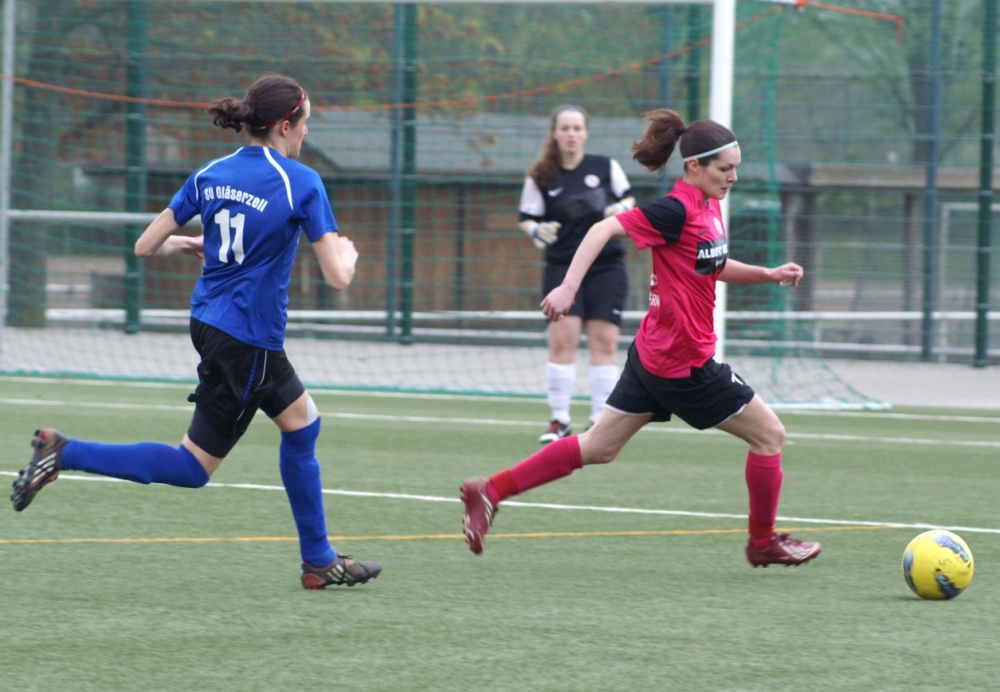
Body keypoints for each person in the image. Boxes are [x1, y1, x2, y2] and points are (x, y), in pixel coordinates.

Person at [9, 75, 382, 590]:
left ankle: (319, 559)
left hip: (210, 323)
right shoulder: (302, 181)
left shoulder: (211, 173)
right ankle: (65, 452)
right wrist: (349, 254)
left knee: (302, 424)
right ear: (282, 125)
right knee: (193, 467)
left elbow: (144, 245)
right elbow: (337, 278)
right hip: (248, 336)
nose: (305, 135)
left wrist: (192, 245)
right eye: (305, 125)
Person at [461, 108, 821, 568]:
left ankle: (489, 490)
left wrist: (768, 274)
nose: (733, 177)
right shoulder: (675, 209)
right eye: (725, 168)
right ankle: (762, 541)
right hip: (684, 364)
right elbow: (603, 227)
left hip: (654, 353)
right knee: (770, 435)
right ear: (695, 167)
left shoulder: (709, 207)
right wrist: (569, 287)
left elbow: (711, 267)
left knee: (598, 447)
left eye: (736, 168)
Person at [518, 105, 635, 444]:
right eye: (565, 128)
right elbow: (526, 217)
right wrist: (537, 231)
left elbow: (628, 199)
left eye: (577, 128)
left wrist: (621, 209)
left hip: (606, 266)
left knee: (605, 342)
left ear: (585, 132)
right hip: (562, 267)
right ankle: (559, 421)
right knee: (562, 341)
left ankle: (601, 420)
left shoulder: (605, 167)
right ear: (555, 133)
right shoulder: (541, 175)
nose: (571, 134)